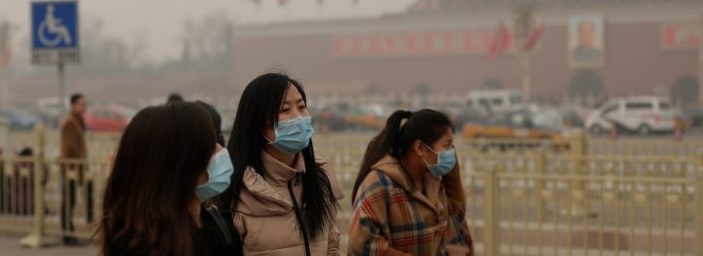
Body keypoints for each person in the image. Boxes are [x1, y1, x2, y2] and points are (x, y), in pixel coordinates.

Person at [220, 73, 343, 255]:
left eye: (302, 107)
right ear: (258, 123)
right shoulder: (236, 190)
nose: (299, 117)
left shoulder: (319, 179)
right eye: (285, 110)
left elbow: (331, 247)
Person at [100, 101, 242, 256]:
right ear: (179, 164)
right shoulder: (137, 246)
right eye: (209, 145)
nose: (221, 150)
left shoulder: (222, 228)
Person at [348, 109, 473, 256]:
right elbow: (361, 244)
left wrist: (453, 176)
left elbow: (456, 227)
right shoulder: (380, 184)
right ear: (420, 148)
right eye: (447, 145)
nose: (452, 152)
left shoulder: (433, 182)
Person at [60, 93, 92, 245]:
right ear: (73, 105)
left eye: (85, 104)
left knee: (71, 200)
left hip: (77, 169)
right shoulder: (70, 123)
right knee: (69, 201)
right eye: (81, 103)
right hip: (71, 170)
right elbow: (69, 148)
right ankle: (67, 234)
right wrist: (76, 167)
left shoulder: (78, 121)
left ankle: (69, 232)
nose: (84, 107)